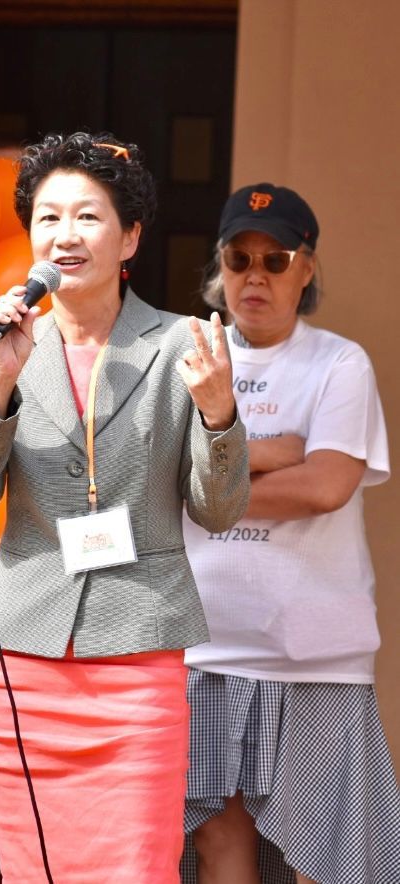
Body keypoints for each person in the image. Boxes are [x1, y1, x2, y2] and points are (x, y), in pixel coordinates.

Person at [0, 132, 248, 882]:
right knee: (30, 867)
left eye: (87, 217)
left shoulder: (182, 343)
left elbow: (218, 509)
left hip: (136, 651)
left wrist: (218, 415)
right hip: (20, 654)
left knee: (135, 864)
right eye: (47, 219)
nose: (64, 236)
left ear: (130, 235)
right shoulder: (8, 344)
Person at [180, 185, 398, 884]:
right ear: (221, 264)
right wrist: (282, 447)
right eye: (240, 257)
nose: (255, 275)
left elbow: (325, 486)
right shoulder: (185, 357)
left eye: (275, 259)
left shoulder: (340, 363)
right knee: (219, 842)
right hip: (205, 644)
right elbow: (156, 477)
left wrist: (209, 485)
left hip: (314, 652)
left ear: (306, 270)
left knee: (333, 858)